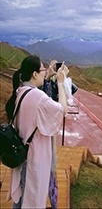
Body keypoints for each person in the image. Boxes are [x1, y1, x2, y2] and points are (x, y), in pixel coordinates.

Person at [5, 55, 68, 209]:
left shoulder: (21, 91)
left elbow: (37, 98)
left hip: (23, 156)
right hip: (34, 158)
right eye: (42, 70)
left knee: (20, 199)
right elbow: (62, 110)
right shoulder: (37, 96)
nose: (44, 71)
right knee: (30, 200)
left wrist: (47, 76)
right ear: (34, 74)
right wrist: (60, 82)